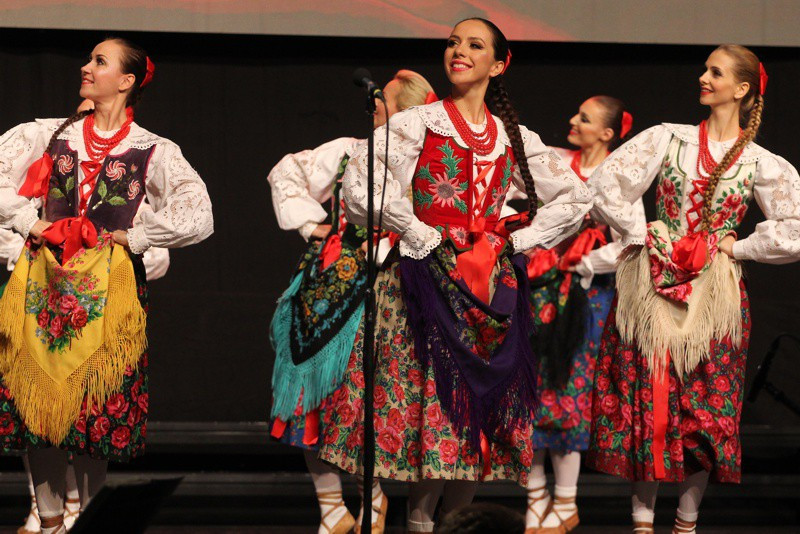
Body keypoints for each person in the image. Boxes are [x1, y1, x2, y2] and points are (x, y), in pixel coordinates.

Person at [319, 18, 592, 533]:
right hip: (422, 284)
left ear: (499, 63)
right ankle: (420, 524)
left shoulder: (514, 137)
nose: (458, 51)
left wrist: (518, 240)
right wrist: (419, 231)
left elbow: (576, 198)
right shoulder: (417, 123)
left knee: (476, 415)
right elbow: (362, 188)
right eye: (452, 43)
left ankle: (458, 523)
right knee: (431, 408)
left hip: (486, 289)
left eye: (474, 44)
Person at [0, 37, 213, 534]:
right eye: (89, 58)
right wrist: (27, 220)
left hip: (106, 296)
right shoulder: (49, 135)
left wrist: (134, 235)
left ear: (127, 80)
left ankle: (89, 525)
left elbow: (198, 213)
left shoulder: (152, 150)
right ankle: (50, 519)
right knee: (39, 412)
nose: (86, 66)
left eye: (100, 61)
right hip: (43, 287)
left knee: (93, 412)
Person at [586, 45, 800, 534]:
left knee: (704, 409)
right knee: (648, 401)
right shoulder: (670, 139)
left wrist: (739, 246)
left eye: (715, 72)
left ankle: (686, 523)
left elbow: (794, 226)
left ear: (742, 89)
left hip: (713, 297)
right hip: (652, 286)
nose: (703, 77)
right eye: (705, 68)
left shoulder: (761, 163)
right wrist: (642, 231)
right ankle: (642, 525)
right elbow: (608, 183)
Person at [268, 70, 435, 534]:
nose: (375, 106)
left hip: (386, 289)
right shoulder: (349, 149)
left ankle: (372, 498)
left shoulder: (427, 163)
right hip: (326, 285)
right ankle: (330, 507)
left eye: (384, 102)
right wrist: (310, 224)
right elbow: (288, 171)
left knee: (363, 398)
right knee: (304, 391)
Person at [521, 96, 644, 533]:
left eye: (585, 119)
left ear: (607, 134)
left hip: (585, 298)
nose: (573, 121)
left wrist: (585, 262)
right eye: (576, 113)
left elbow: (634, 238)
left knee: (567, 394)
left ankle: (567, 499)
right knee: (530, 391)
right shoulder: (553, 162)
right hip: (539, 290)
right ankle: (535, 496)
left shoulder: (616, 176)